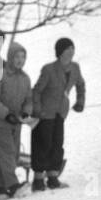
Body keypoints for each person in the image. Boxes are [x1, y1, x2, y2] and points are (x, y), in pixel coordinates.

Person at [31, 36, 85, 190]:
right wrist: (37, 109)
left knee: (57, 143)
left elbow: (81, 84)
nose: (71, 51)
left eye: (72, 48)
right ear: (60, 51)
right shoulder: (48, 69)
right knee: (43, 144)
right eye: (68, 48)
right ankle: (38, 179)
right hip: (45, 112)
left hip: (60, 112)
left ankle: (53, 176)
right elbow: (37, 91)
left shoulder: (75, 68)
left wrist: (80, 101)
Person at [0, 41, 33, 196]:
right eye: (17, 56)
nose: (20, 60)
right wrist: (6, 114)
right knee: (7, 153)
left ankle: (1, 186)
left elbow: (28, 99)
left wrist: (26, 112)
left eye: (23, 57)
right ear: (10, 57)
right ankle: (13, 186)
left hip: (16, 123)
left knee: (11, 154)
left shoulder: (25, 78)